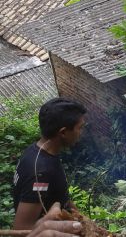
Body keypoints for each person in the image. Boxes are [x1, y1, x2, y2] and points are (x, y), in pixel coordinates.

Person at [13, 98, 86, 230]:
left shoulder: (38, 150)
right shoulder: (41, 173)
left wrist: (83, 220)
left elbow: (61, 197)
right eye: (80, 128)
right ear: (63, 132)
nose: (81, 133)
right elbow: (21, 229)